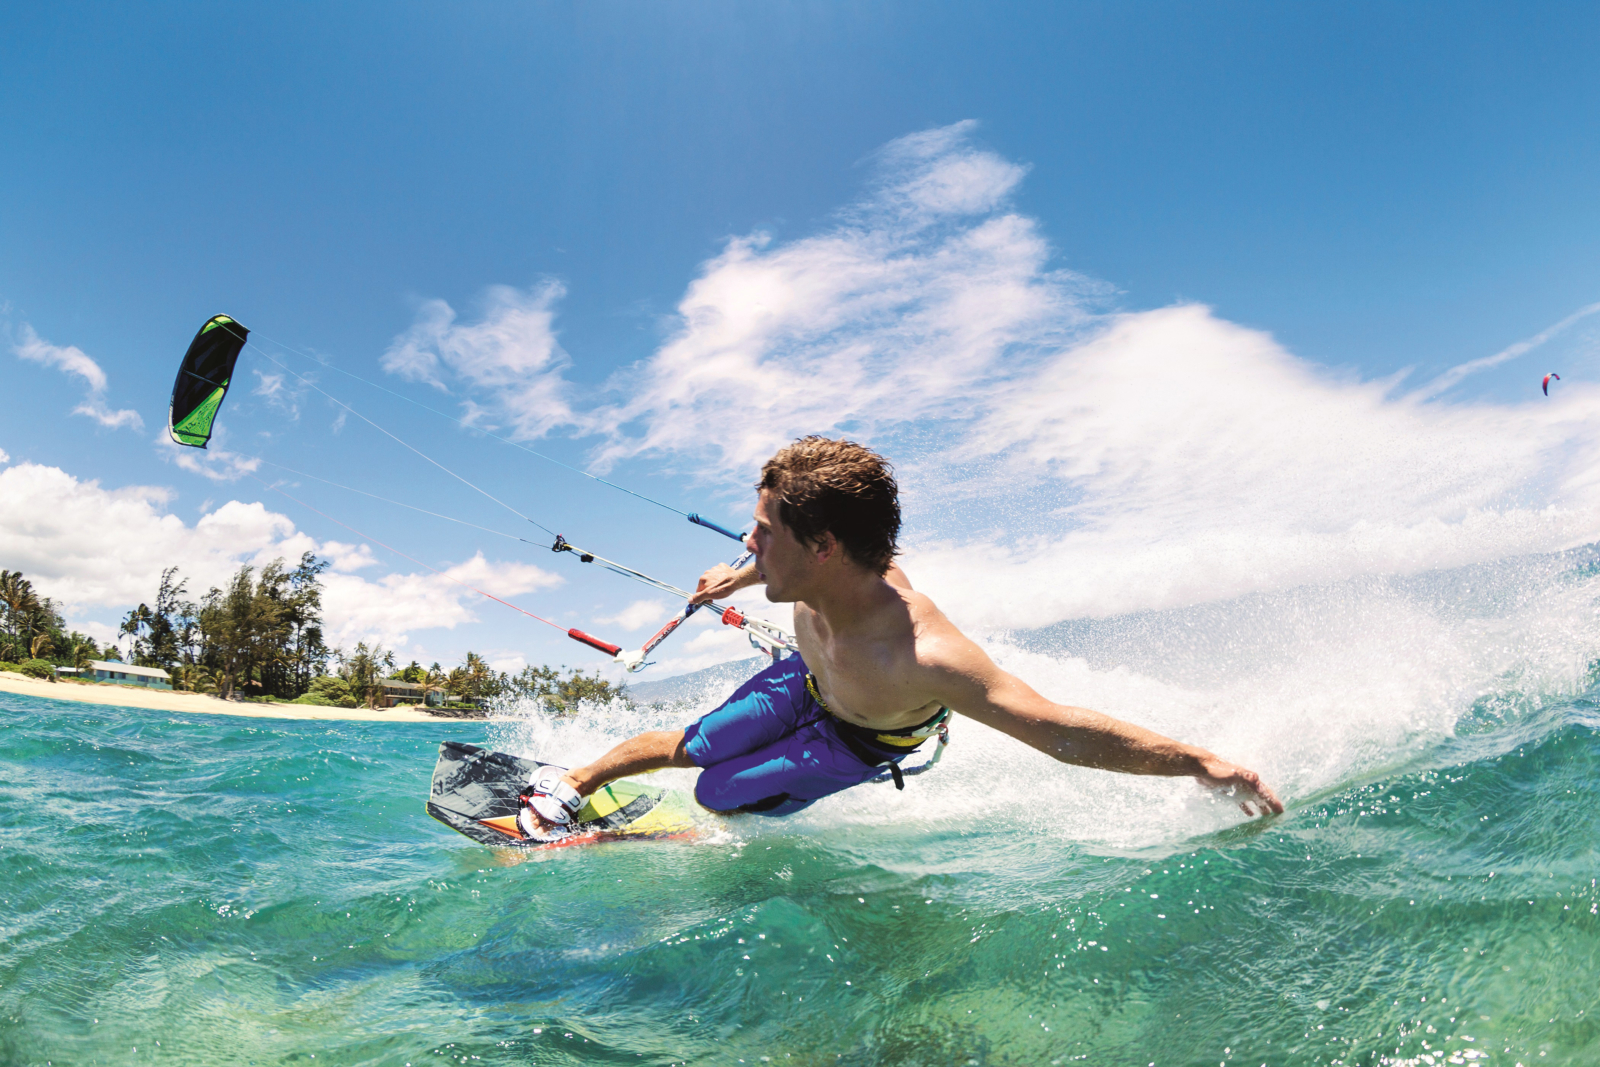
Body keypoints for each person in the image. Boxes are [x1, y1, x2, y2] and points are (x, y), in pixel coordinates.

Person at [519, 436, 1282, 837]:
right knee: (694, 746)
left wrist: (1199, 761)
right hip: (807, 678)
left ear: (822, 546)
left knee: (718, 793)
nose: (747, 545)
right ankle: (575, 784)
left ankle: (689, 836)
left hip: (860, 736)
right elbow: (776, 567)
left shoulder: (924, 654)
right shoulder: (810, 571)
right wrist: (739, 579)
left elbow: (1058, 731)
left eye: (762, 533)